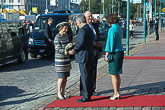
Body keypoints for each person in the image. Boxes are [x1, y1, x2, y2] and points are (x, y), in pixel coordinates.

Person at [69, 14, 95, 102]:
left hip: (83, 56)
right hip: (89, 55)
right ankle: (88, 93)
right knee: (88, 75)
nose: (77, 24)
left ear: (79, 21)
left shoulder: (82, 30)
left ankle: (86, 96)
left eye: (77, 22)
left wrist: (74, 50)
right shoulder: (89, 28)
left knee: (84, 76)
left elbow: (80, 43)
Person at [104, 14, 124, 100]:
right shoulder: (119, 28)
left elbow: (110, 43)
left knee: (113, 73)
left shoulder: (112, 29)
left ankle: (116, 93)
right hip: (120, 51)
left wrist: (107, 53)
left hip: (114, 52)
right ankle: (117, 92)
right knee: (117, 73)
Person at [84, 11, 102, 96]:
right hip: (86, 53)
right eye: (89, 16)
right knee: (86, 72)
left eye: (91, 16)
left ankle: (93, 89)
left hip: (95, 52)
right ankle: (86, 89)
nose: (90, 18)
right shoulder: (83, 27)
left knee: (94, 71)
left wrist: (100, 50)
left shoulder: (95, 26)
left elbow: (98, 38)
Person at [54, 22, 73, 100]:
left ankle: (63, 92)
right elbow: (58, 49)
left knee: (65, 77)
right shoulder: (57, 37)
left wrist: (71, 49)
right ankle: (59, 93)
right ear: (60, 28)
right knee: (61, 77)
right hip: (60, 60)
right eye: (64, 28)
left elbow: (68, 45)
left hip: (66, 59)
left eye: (67, 28)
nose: (66, 30)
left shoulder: (66, 36)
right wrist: (67, 52)